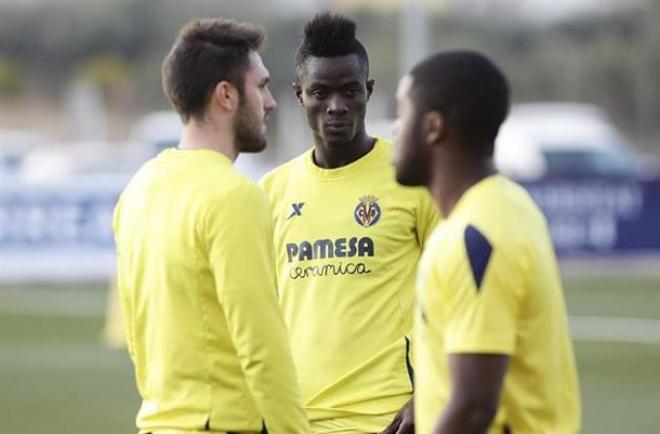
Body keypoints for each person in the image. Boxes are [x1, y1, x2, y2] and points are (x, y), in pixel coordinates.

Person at [113, 18, 309, 434]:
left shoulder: (138, 191)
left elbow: (136, 333)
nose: (270, 102)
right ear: (226, 95)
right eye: (261, 86)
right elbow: (262, 347)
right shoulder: (233, 196)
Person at [259, 12, 439, 434]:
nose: (336, 106)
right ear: (299, 95)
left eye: (350, 92)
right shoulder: (271, 191)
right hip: (297, 420)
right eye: (320, 92)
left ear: (369, 92)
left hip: (389, 418)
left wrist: (430, 389)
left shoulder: (411, 177)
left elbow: (460, 295)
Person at [394, 50, 581, 434]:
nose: (396, 130)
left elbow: (474, 407)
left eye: (402, 114)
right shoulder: (509, 204)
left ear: (432, 127)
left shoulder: (474, 236)